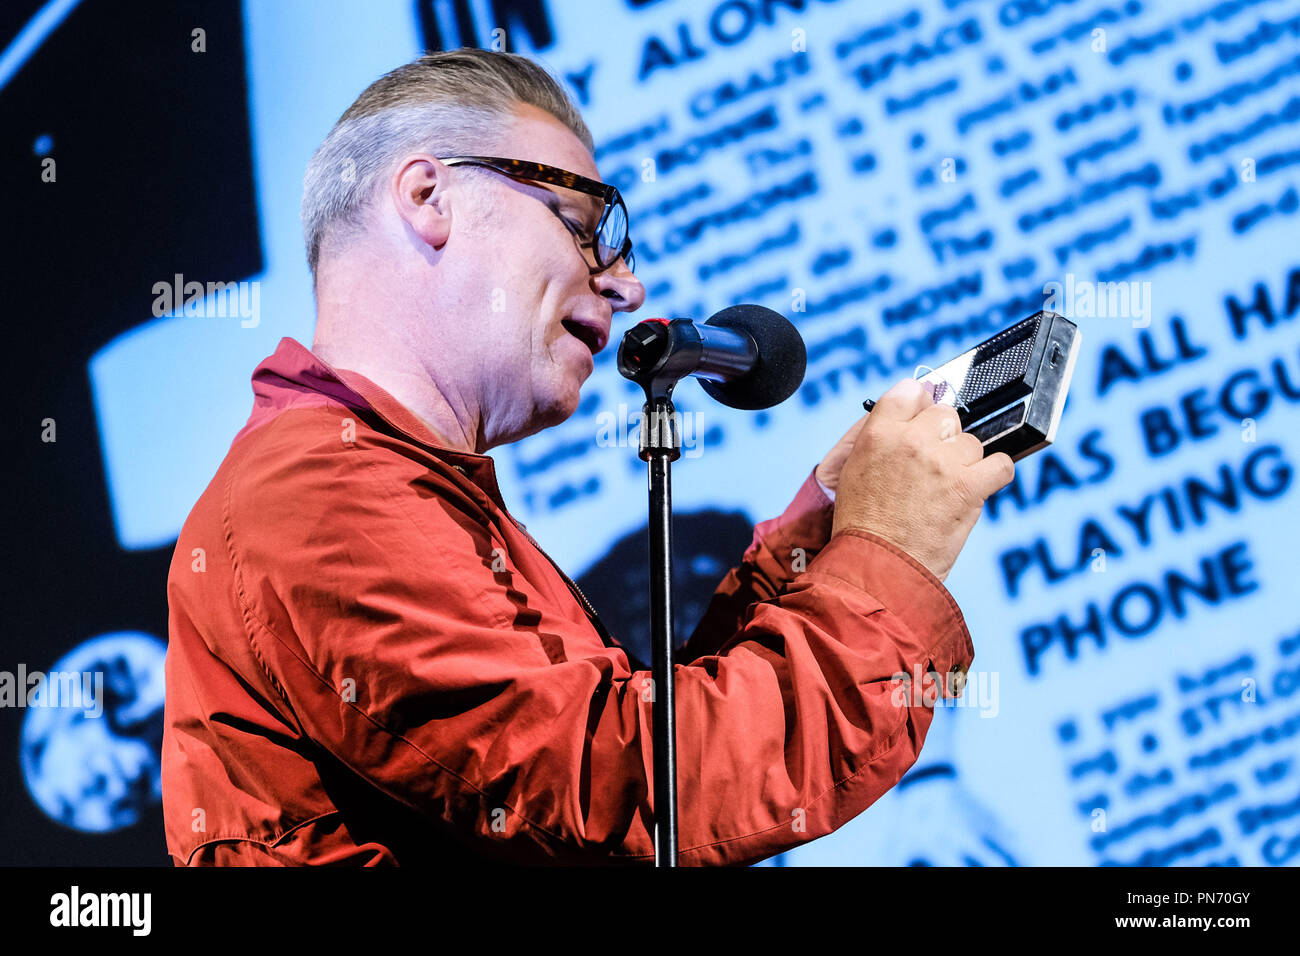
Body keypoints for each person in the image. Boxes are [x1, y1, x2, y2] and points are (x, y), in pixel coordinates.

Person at [161, 48, 1014, 866]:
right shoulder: (321, 497)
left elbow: (640, 750)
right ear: (428, 196)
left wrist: (823, 533)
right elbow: (630, 798)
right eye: (581, 222)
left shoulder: (378, 485)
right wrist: (890, 560)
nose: (623, 281)